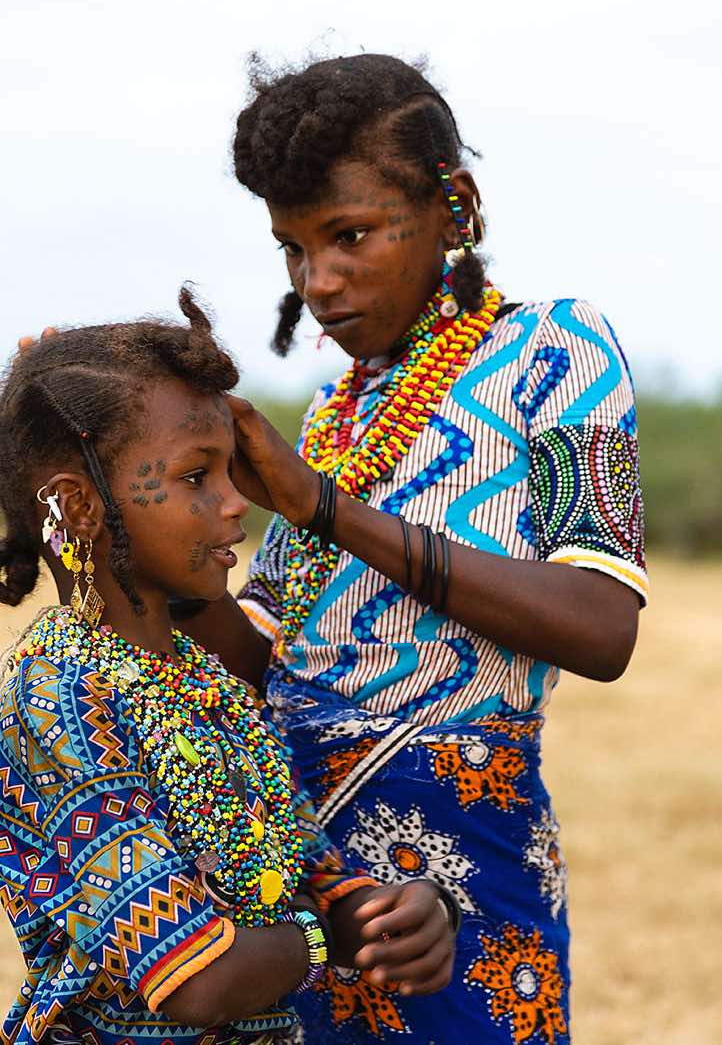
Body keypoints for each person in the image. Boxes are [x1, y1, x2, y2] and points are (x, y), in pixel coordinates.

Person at [178, 54, 648, 1043]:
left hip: (463, 865)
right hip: (299, 880)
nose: (319, 281)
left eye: (348, 236)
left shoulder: (555, 351)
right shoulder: (333, 415)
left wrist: (321, 506)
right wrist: (125, 512)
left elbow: (600, 626)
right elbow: (261, 647)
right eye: (293, 250)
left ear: (454, 208)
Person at [0, 291, 456, 1045]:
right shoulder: (60, 693)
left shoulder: (209, 682)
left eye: (228, 471)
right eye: (195, 477)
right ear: (79, 507)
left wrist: (396, 913)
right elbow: (194, 977)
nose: (236, 502)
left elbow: (304, 866)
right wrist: (327, 941)